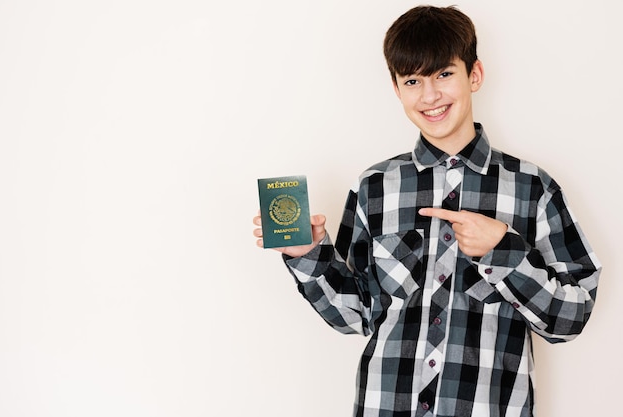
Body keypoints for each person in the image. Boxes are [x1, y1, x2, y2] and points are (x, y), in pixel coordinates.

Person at [253, 5, 601, 417]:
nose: (430, 95)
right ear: (396, 89)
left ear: (475, 75)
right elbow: (355, 316)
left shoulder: (533, 188)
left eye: (444, 74)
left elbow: (571, 318)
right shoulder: (373, 187)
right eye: (413, 80)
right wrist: (309, 256)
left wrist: (502, 251)